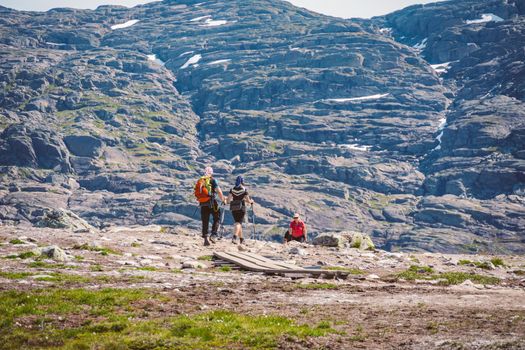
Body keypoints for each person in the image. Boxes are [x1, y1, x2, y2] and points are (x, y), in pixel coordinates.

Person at [195, 166, 225, 246]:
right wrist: (223, 199)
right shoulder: (213, 180)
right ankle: (213, 235)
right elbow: (218, 191)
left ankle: (205, 239)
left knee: (205, 221)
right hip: (212, 203)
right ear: (211, 173)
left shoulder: (200, 180)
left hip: (203, 203)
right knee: (217, 217)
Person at [226, 175, 254, 244]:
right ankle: (234, 237)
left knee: (237, 223)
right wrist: (251, 201)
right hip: (241, 208)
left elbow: (228, 201)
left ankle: (241, 239)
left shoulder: (232, 189)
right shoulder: (244, 189)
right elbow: (248, 200)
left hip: (234, 208)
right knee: (238, 223)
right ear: (242, 181)